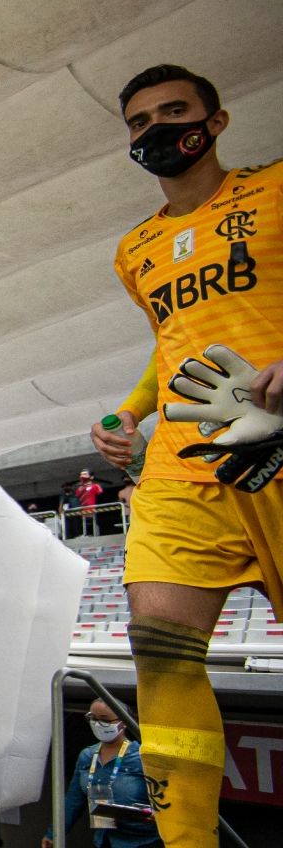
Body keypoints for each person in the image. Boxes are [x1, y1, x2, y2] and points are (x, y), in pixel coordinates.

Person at [87, 64, 282, 848]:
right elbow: (173, 342)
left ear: (218, 120)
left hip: (277, 443)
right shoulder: (135, 249)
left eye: (174, 112)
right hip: (182, 463)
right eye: (139, 121)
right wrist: (130, 411)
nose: (157, 129)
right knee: (160, 651)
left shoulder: (273, 190)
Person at [43, 700, 162, 848]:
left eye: (105, 720)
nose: (98, 724)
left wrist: (146, 815)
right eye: (93, 718)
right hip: (104, 840)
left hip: (143, 842)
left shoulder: (142, 757)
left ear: (123, 722)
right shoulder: (87, 756)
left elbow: (164, 803)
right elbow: (73, 802)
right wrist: (54, 833)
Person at [72, 470, 103, 538]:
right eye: (81, 474)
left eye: (85, 474)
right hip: (82, 510)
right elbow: (77, 497)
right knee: (82, 524)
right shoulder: (79, 488)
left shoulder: (96, 486)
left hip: (93, 509)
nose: (82, 476)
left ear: (91, 477)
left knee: (94, 523)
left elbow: (100, 496)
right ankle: (84, 534)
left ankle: (96, 534)